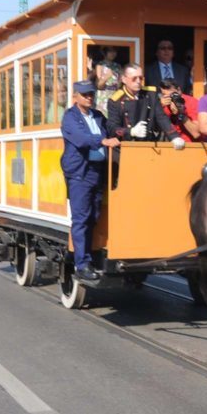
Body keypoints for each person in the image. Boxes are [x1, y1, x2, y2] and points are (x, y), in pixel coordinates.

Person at [61, 80, 120, 281]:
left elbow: (112, 131)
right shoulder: (70, 117)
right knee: (81, 218)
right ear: (75, 96)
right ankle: (81, 264)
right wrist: (102, 141)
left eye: (91, 94)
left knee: (93, 216)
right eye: (85, 94)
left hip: (97, 171)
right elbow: (81, 138)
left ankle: (88, 256)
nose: (89, 98)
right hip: (79, 173)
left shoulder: (98, 116)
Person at [106, 63, 184, 147]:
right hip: (125, 146)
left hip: (148, 143)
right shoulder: (116, 100)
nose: (138, 81)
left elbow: (161, 117)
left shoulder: (150, 94)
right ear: (124, 79)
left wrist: (174, 136)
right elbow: (112, 128)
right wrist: (131, 131)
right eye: (134, 78)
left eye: (140, 78)